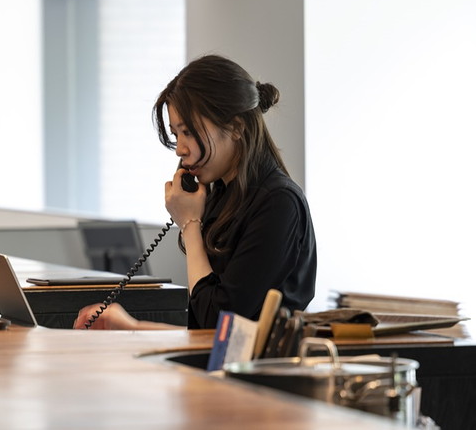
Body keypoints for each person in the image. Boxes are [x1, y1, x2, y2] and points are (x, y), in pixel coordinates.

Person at [73, 54, 317, 330]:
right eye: (177, 135)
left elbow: (217, 323)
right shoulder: (223, 196)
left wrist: (190, 225)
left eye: (188, 131)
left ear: (236, 127)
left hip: (250, 373)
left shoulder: (277, 204)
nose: (180, 149)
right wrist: (130, 327)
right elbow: (203, 334)